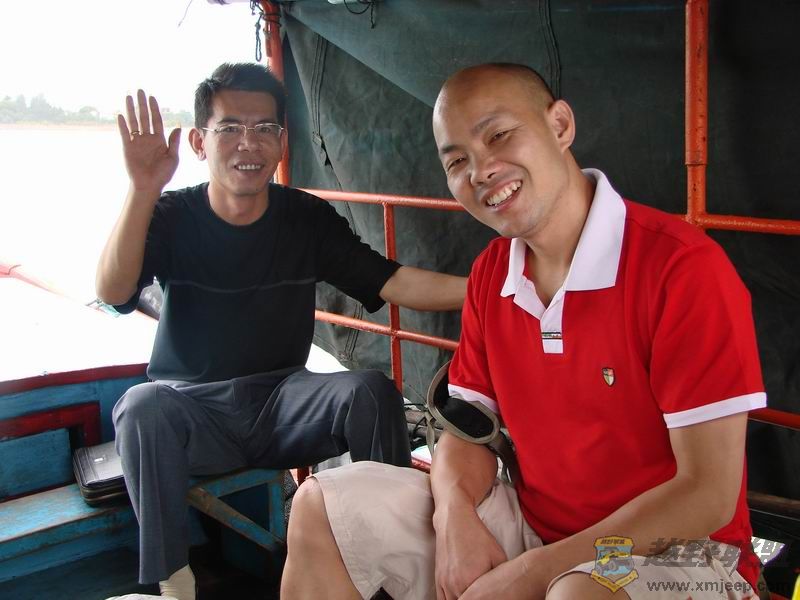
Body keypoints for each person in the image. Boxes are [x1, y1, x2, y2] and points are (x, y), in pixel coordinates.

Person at [280, 63, 767, 600]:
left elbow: (707, 494)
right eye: (457, 160)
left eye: (499, 135)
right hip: (537, 530)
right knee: (321, 507)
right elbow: (469, 428)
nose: (481, 170)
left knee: (576, 594)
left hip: (680, 554)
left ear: (560, 125)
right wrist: (455, 514)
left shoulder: (681, 268)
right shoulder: (493, 273)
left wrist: (533, 574)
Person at [96, 62, 466, 600]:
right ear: (200, 141)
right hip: (194, 412)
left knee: (369, 391)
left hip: (284, 404)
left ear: (282, 141)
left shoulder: (305, 218)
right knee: (140, 406)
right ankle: (174, 580)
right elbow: (114, 292)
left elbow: (389, 279)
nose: (248, 142)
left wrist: (485, 287)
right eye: (230, 127)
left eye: (264, 127)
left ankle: (388, 557)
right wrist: (142, 189)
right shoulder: (171, 214)